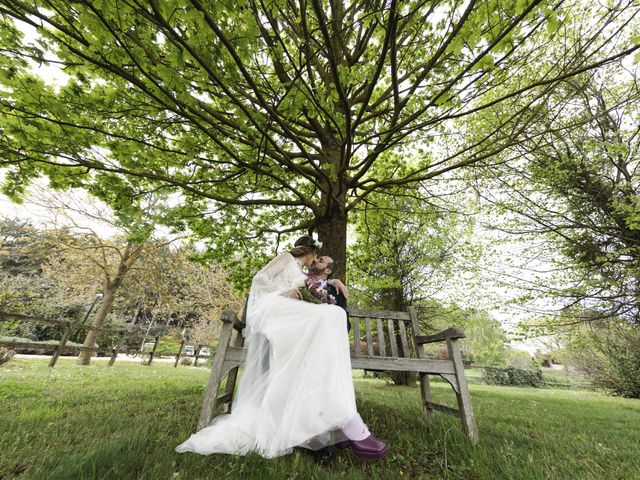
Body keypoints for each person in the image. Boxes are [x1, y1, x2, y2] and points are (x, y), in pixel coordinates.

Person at [175, 236, 387, 460]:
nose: (313, 263)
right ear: (310, 253)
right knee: (332, 315)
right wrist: (283, 293)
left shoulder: (303, 273)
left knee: (333, 315)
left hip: (286, 313)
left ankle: (333, 421)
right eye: (315, 258)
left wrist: (335, 282)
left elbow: (317, 284)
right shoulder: (286, 258)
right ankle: (345, 424)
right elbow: (259, 279)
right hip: (273, 309)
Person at [306, 255, 351, 331]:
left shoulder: (337, 293)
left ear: (327, 271)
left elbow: (345, 323)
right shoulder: (301, 283)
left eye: (320, 261)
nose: (315, 260)